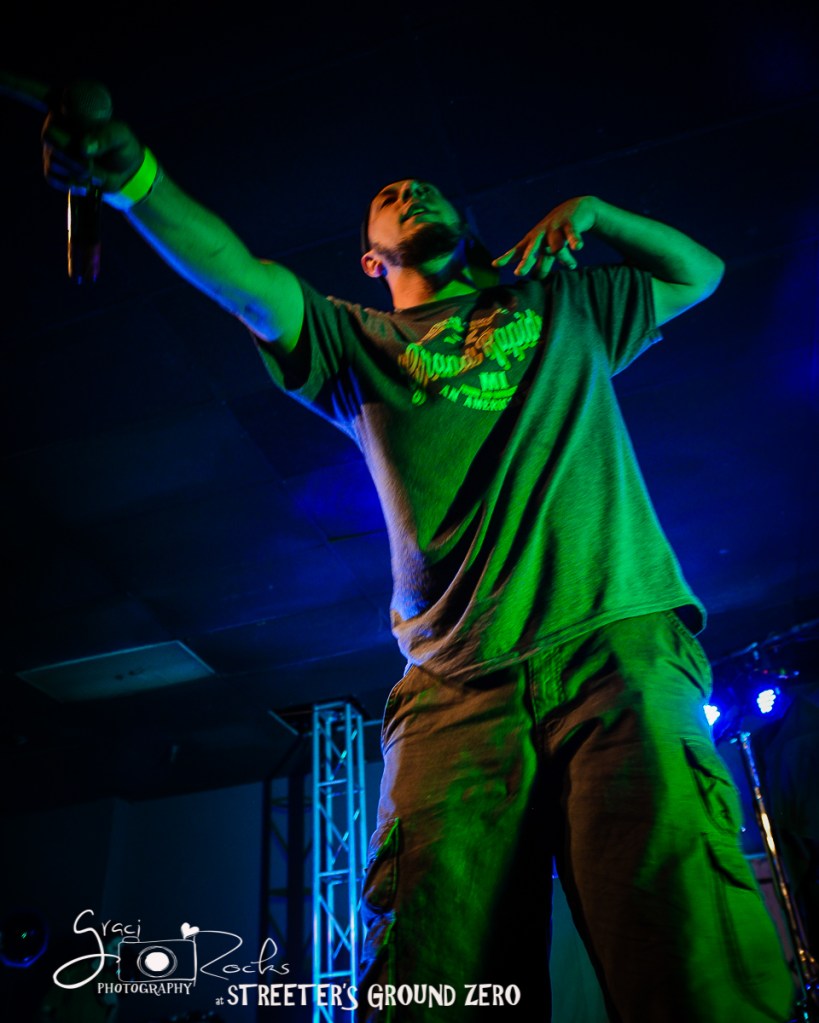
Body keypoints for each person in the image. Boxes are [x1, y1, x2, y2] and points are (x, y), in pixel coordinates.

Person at [40, 88, 796, 1023]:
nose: (410, 191)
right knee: (434, 979)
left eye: (424, 187)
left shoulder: (565, 304)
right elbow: (240, 276)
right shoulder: (354, 344)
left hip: (615, 644)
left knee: (688, 952)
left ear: (465, 225)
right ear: (371, 259)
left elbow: (700, 271)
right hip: (452, 688)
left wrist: (597, 212)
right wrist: (132, 180)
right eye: (389, 196)